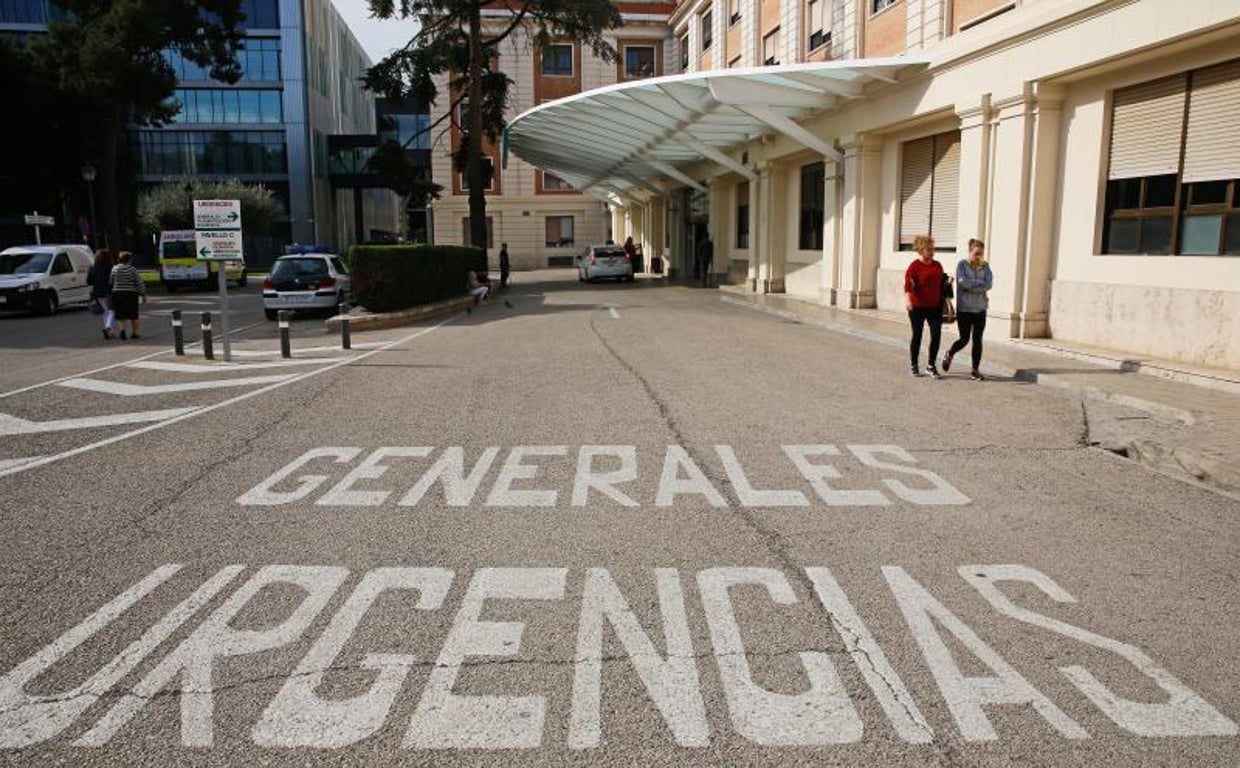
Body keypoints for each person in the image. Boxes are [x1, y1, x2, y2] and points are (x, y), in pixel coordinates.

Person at [943, 238, 993, 381]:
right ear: (970, 252)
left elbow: (989, 284)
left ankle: (975, 370)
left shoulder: (985, 266)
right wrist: (979, 284)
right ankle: (950, 353)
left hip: (980, 309)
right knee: (964, 339)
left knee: (978, 340)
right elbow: (962, 283)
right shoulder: (962, 265)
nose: (979, 257)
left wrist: (976, 286)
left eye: (981, 254)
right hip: (965, 309)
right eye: (976, 253)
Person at [904, 235, 945, 378]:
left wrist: (948, 302)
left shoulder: (937, 265)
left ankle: (931, 365)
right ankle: (914, 365)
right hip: (917, 307)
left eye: (932, 249)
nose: (932, 251)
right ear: (921, 250)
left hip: (934, 306)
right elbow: (908, 285)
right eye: (929, 249)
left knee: (936, 335)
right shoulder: (914, 266)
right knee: (917, 335)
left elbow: (942, 285)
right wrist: (908, 300)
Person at [109, 251, 147, 340]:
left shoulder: (115, 269)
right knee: (133, 315)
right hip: (131, 294)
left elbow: (111, 281)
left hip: (117, 293)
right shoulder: (133, 269)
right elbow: (139, 283)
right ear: (130, 260)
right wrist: (143, 295)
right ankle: (135, 333)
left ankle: (122, 331)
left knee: (120, 314)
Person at [87, 249, 116, 340]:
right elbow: (114, 280)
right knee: (112, 311)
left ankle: (109, 332)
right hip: (109, 291)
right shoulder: (110, 267)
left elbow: (89, 281)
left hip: (97, 292)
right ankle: (108, 328)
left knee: (106, 311)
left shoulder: (92, 267)